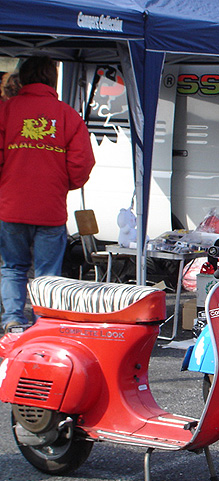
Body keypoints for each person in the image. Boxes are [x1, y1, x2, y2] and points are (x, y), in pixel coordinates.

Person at [0, 56, 95, 331]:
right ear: (53, 79)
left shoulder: (7, 110)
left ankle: (13, 319)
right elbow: (81, 163)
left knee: (13, 267)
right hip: (50, 208)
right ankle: (44, 324)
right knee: (48, 274)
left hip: (11, 205)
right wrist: (61, 184)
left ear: (23, 79)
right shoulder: (67, 115)